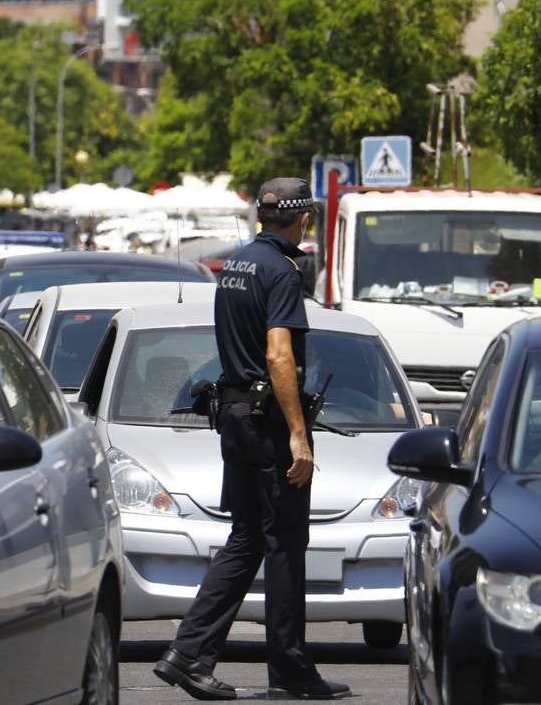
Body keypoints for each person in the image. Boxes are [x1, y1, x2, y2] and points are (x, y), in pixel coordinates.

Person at [154, 178, 350, 701]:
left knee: (246, 538)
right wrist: (298, 435)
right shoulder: (282, 272)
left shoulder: (237, 264)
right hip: (265, 424)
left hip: (235, 414)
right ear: (302, 219)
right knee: (283, 544)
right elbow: (279, 356)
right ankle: (288, 668)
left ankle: (188, 654)